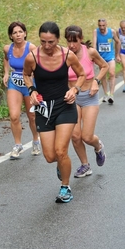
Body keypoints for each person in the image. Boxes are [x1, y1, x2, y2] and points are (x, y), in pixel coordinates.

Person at [23, 21, 86, 203]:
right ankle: (61, 163)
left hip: (64, 106)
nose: (47, 46)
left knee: (60, 150)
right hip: (44, 109)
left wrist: (74, 90)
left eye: (51, 42)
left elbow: (81, 75)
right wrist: (32, 90)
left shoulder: (68, 55)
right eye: (43, 42)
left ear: (58, 40)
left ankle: (65, 188)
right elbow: (26, 75)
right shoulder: (33, 58)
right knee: (51, 156)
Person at [65, 25, 108, 178]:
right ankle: (85, 165)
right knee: (75, 136)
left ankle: (98, 146)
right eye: (68, 41)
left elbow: (104, 66)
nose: (71, 45)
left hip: (89, 97)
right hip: (72, 99)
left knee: (87, 137)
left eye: (74, 41)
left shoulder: (90, 52)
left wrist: (96, 80)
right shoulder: (64, 55)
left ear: (81, 39)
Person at [3, 21, 41, 159]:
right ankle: (18, 145)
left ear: (25, 33)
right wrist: (6, 73)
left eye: (20, 32)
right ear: (11, 36)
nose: (18, 35)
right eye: (14, 33)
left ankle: (36, 140)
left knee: (32, 116)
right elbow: (6, 59)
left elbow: (39, 65)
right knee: (14, 116)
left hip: (30, 85)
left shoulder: (31, 47)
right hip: (15, 84)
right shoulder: (8, 49)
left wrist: (36, 86)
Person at [92, 19, 120, 104]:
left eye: (103, 25)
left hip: (110, 56)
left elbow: (118, 42)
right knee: (103, 76)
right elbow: (94, 44)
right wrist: (94, 56)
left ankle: (111, 95)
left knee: (112, 73)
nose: (101, 27)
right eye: (100, 25)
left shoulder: (112, 32)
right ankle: (105, 93)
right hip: (101, 58)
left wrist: (117, 55)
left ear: (106, 24)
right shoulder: (96, 32)